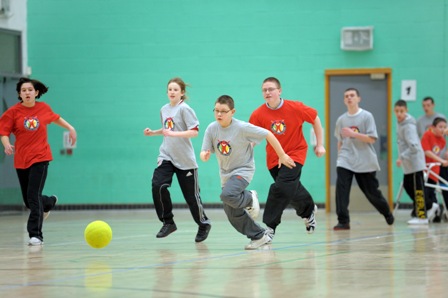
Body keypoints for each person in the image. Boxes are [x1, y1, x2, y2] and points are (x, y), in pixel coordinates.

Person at [200, 95, 296, 250]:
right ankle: (259, 236)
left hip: (243, 170)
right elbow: (205, 150)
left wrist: (282, 155)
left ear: (232, 112)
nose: (219, 114)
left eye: (223, 111)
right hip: (225, 174)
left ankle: (250, 197)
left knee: (227, 195)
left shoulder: (242, 127)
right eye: (216, 110)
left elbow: (268, 134)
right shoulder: (212, 128)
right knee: (232, 213)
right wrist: (204, 155)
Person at [0, 77, 77, 246]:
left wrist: (70, 128)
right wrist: (7, 145)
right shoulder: (13, 112)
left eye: (30, 90)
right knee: (29, 200)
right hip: (21, 160)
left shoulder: (43, 108)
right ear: (20, 94)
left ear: (36, 93)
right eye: (23, 90)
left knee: (33, 196)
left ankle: (36, 235)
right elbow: (4, 132)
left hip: (41, 158)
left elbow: (55, 118)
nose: (27, 93)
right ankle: (49, 202)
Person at [249, 77, 325, 239]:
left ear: (279, 91)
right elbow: (253, 137)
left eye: (271, 89)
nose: (267, 92)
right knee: (290, 189)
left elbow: (315, 119)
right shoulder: (258, 114)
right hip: (273, 159)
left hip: (295, 154)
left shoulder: (295, 107)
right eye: (264, 90)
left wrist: (320, 144)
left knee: (279, 189)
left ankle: (269, 227)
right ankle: (309, 210)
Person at [143, 77, 211, 243]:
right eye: (170, 89)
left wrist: (174, 134)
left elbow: (194, 132)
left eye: (175, 89)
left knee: (192, 198)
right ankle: (168, 222)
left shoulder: (185, 109)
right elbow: (168, 129)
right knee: (157, 185)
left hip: (185, 159)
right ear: (167, 92)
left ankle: (203, 224)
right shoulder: (164, 109)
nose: (172, 92)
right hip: (167, 155)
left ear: (182, 93)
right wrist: (154, 132)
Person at [333, 88, 394, 230]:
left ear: (358, 98)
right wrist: (340, 156)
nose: (349, 98)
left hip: (365, 160)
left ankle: (386, 212)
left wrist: (352, 134)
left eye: (352, 95)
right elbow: (340, 140)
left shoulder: (367, 116)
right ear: (344, 100)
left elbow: (371, 139)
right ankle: (343, 221)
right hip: (346, 159)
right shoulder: (341, 119)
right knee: (341, 191)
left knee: (371, 192)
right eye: (346, 96)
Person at [394, 100, 430, 224]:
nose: (399, 114)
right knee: (408, 186)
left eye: (401, 111)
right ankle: (430, 205)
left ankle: (422, 216)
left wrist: (401, 157)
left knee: (417, 189)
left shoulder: (408, 126)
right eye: (397, 111)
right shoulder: (400, 123)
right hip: (408, 164)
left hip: (415, 163)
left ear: (406, 110)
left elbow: (414, 146)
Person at [421, 117, 448, 221]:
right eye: (440, 127)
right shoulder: (427, 134)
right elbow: (427, 152)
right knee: (427, 192)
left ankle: (436, 212)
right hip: (424, 168)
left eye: (445, 127)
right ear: (433, 127)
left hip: (434, 169)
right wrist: (441, 161)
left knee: (432, 191)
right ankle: (433, 211)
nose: (442, 129)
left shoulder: (442, 140)